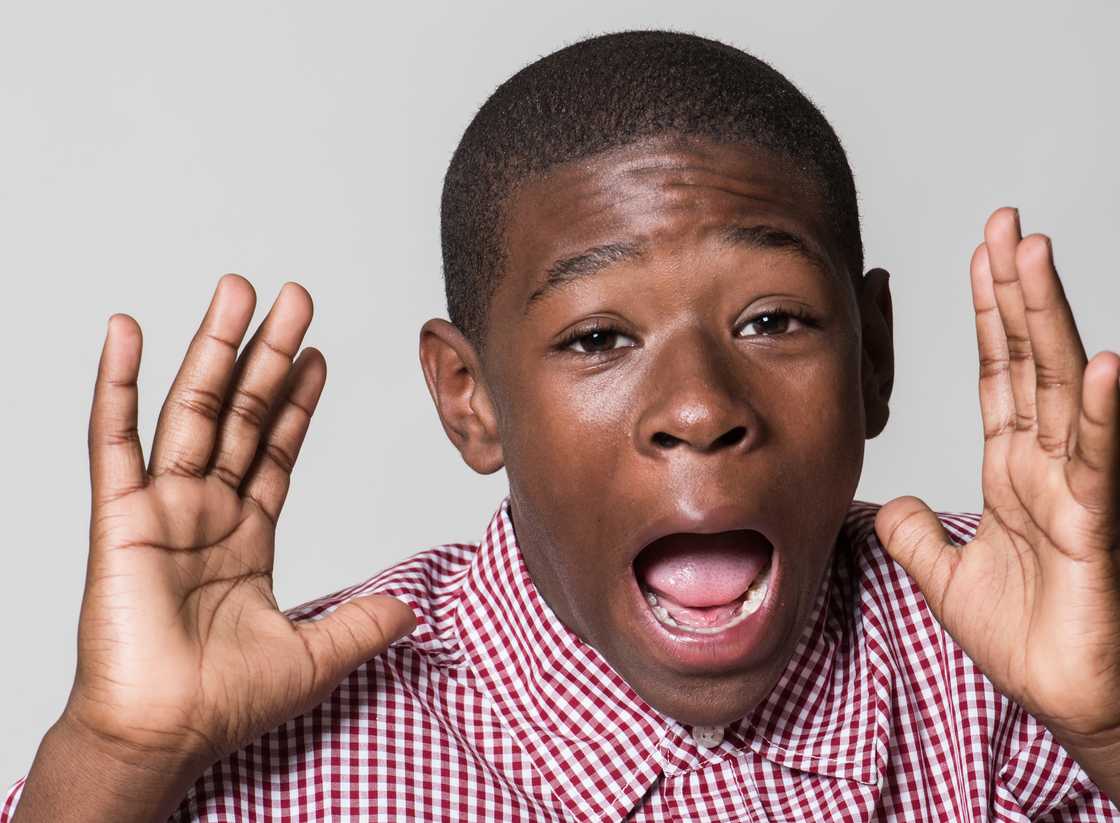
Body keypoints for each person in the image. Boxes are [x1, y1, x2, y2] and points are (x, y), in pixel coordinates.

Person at [4, 28, 1119, 822]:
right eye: (596, 340)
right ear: (468, 395)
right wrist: (115, 758)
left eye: (771, 318)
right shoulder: (260, 752)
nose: (698, 408)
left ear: (872, 355)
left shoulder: (1023, 650)